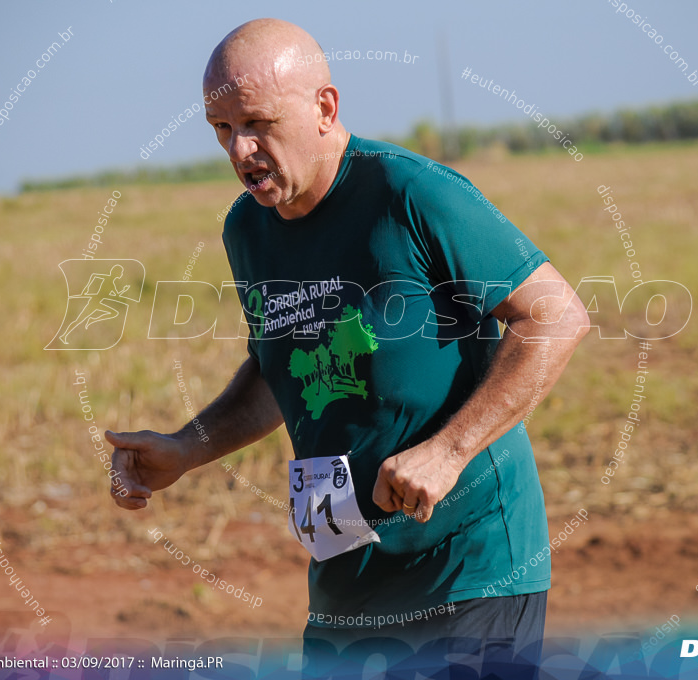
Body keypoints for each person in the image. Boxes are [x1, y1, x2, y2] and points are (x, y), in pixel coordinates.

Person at [105, 18, 589, 677]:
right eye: (222, 129)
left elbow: (556, 317)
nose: (240, 150)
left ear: (324, 108)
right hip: (346, 574)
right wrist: (188, 447)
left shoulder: (412, 194)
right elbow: (280, 368)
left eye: (258, 123)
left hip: (467, 567)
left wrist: (448, 453)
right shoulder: (247, 229)